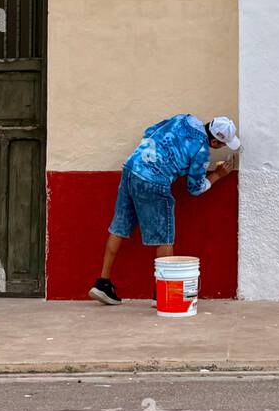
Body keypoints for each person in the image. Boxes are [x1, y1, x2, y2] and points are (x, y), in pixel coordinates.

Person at [89, 114, 240, 305]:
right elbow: (194, 188)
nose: (222, 147)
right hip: (156, 182)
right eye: (223, 144)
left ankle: (103, 283)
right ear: (213, 141)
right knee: (165, 236)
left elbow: (150, 131)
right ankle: (162, 293)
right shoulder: (202, 150)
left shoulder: (184, 118)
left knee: (119, 226)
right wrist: (218, 174)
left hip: (132, 167)